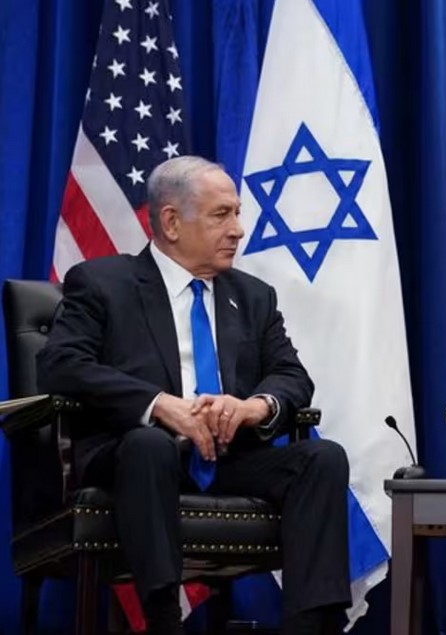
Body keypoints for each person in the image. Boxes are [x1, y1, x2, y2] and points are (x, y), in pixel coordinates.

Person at [37, 156, 351, 635]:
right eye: (221, 214)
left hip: (227, 457)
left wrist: (253, 406)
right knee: (150, 444)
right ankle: (164, 620)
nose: (238, 229)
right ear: (171, 222)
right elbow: (60, 364)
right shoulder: (103, 283)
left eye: (237, 213)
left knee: (322, 458)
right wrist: (159, 405)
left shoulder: (253, 296)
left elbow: (291, 376)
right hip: (135, 456)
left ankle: (311, 626)